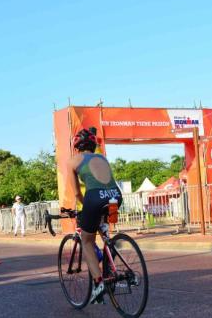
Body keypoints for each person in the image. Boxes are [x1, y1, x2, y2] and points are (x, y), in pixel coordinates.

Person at [65, 127, 123, 304]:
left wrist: (86, 206)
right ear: (93, 144)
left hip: (94, 198)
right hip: (115, 196)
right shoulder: (102, 157)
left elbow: (76, 193)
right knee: (103, 232)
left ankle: (99, 283)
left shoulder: (73, 161)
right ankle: (109, 256)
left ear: (77, 146)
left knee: (87, 240)